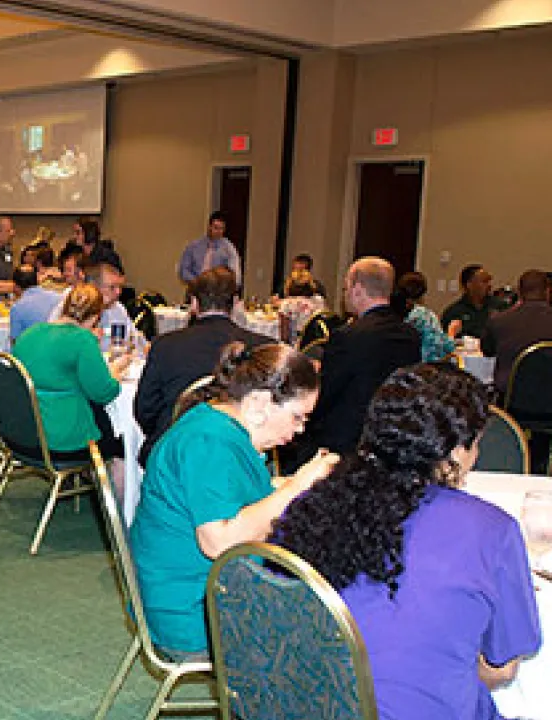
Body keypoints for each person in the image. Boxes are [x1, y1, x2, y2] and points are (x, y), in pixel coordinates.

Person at [273, 363, 540, 720]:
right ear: (457, 450)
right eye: (476, 445)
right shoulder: (493, 530)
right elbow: (503, 667)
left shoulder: (316, 506)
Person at [130, 342, 338, 659]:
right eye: (297, 417)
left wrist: (291, 485)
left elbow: (239, 493)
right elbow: (220, 542)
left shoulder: (215, 423)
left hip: (189, 589)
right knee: (333, 631)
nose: (299, 430)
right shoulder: (211, 442)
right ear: (258, 404)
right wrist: (296, 485)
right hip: (192, 611)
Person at [134, 267, 273, 465]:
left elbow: (145, 410)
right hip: (237, 456)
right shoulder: (261, 347)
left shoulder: (165, 345)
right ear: (234, 304)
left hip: (173, 455)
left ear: (194, 304)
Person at [296, 257, 420, 459]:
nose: (345, 295)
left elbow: (326, 394)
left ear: (357, 289)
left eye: (346, 288)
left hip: (345, 441)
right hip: (390, 438)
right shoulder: (410, 335)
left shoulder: (348, 336)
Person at [12, 283, 129, 461]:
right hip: (65, 440)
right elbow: (103, 393)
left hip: (22, 433)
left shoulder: (30, 334)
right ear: (96, 317)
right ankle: (110, 485)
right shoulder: (82, 340)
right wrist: (114, 372)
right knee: (120, 440)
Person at [483, 268, 552, 393]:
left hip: (511, 397)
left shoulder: (499, 321)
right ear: (548, 291)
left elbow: (487, 351)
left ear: (519, 293)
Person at [394, 271, 460, 362]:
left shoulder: (390, 314)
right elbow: (442, 347)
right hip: (423, 368)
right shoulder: (425, 316)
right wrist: (451, 332)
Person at [178, 211, 241, 286]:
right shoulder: (193, 246)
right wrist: (197, 281)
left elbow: (235, 276)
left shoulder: (229, 249)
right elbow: (183, 270)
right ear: (209, 226)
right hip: (195, 288)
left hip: (217, 291)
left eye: (222, 229)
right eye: (216, 228)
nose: (219, 231)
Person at [442, 264, 502, 340]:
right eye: (484, 281)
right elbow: (446, 341)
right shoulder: (453, 313)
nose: (489, 285)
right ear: (469, 285)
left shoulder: (500, 307)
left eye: (489, 281)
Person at [8, 261, 64, 341]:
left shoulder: (17, 308)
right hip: (58, 348)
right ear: (37, 280)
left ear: (16, 286)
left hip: (32, 350)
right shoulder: (58, 298)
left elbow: (15, 342)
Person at [275, 269, 327, 344]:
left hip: (297, 346)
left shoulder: (287, 304)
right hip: (316, 344)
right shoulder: (319, 300)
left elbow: (284, 336)